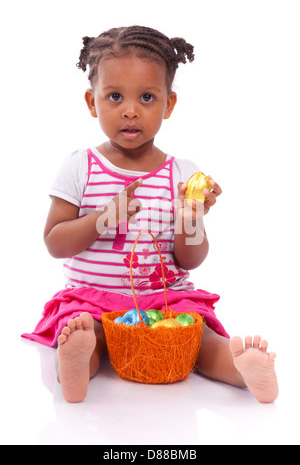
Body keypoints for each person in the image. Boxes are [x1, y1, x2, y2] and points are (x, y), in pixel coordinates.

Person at [22, 26, 278, 403]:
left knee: (198, 339)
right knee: (86, 332)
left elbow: (190, 259)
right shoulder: (81, 167)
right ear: (92, 103)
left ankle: (240, 366)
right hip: (94, 300)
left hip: (166, 300)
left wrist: (191, 219)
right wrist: (103, 218)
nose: (130, 110)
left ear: (168, 105)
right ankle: (74, 362)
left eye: (146, 97)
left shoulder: (181, 174)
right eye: (114, 96)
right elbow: (54, 242)